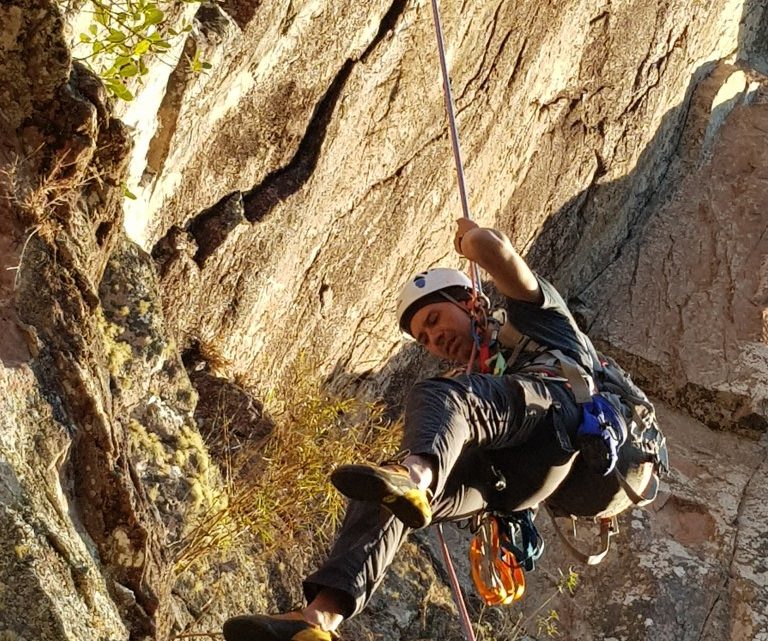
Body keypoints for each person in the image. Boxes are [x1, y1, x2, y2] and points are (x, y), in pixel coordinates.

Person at [223, 220, 621, 641]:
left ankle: (415, 476)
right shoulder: (468, 378)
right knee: (380, 492)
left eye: (434, 318)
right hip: (509, 484)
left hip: (555, 416)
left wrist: (470, 240)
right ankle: (319, 619)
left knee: (440, 399)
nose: (434, 338)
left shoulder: (535, 318)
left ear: (470, 300)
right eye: (425, 338)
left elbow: (493, 249)